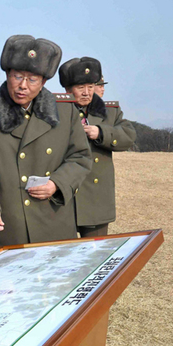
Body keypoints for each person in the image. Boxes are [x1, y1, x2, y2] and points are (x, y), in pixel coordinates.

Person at [0, 35, 92, 247]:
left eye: (32, 80)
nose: (23, 86)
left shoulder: (65, 111)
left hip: (54, 222)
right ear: (7, 75)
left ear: (43, 82)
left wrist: (57, 183)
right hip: (8, 227)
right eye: (17, 76)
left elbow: (80, 157)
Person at [59, 57, 136, 237]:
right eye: (80, 87)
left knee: (95, 250)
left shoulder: (110, 112)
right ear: (68, 90)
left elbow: (128, 135)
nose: (86, 93)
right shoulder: (55, 112)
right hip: (63, 200)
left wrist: (101, 132)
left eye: (90, 87)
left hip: (96, 201)